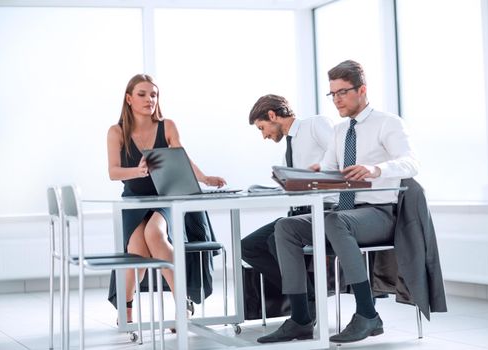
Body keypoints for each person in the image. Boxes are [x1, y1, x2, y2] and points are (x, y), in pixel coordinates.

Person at [257, 60, 419, 344]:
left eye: (342, 92)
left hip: (381, 214)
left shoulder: (387, 123)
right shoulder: (341, 131)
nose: (336, 100)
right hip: (348, 215)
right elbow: (327, 169)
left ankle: (368, 314)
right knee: (285, 227)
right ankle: (301, 319)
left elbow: (410, 163)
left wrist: (376, 169)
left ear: (362, 90)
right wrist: (300, 176)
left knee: (333, 220)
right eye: (332, 94)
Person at [106, 73, 226, 324]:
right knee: (136, 251)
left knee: (155, 234)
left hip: (165, 196)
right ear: (129, 99)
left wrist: (204, 178)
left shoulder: (167, 126)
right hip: (135, 200)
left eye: (153, 94)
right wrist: (137, 172)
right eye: (142, 94)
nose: (149, 99)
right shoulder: (116, 131)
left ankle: (182, 303)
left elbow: (182, 158)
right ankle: (126, 313)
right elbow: (113, 172)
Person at [241, 94, 334, 318]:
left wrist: (316, 172)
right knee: (247, 246)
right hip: (299, 213)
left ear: (272, 115)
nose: (264, 135)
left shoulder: (314, 125)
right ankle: (309, 293)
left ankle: (304, 308)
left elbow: (341, 155)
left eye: (262, 127)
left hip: (326, 210)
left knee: (277, 239)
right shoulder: (288, 151)